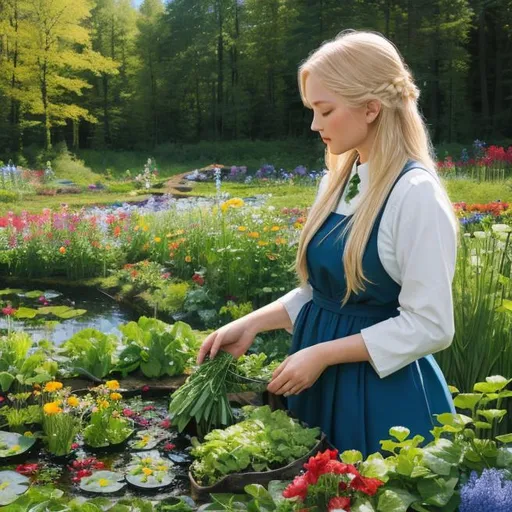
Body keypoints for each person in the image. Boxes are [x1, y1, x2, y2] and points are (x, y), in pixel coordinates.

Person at [197, 29, 457, 456]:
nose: (315, 125)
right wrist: (251, 323)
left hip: (380, 401)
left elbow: (431, 326)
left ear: (371, 108)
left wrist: (322, 355)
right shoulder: (340, 181)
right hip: (319, 386)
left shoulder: (415, 195)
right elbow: (327, 296)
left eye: (325, 110)